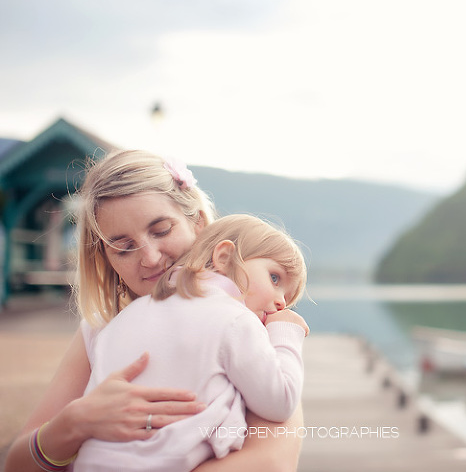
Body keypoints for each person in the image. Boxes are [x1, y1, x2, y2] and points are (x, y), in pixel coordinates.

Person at [4, 151, 306, 472]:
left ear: (199, 224)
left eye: (161, 230)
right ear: (107, 259)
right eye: (123, 247)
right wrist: (74, 422)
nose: (149, 258)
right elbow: (16, 465)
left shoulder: (252, 324)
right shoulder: (101, 328)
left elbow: (271, 459)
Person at [72, 213, 309, 471]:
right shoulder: (236, 320)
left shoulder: (123, 319)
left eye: (287, 296)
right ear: (224, 258)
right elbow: (281, 401)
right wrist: (286, 332)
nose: (282, 302)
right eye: (275, 278)